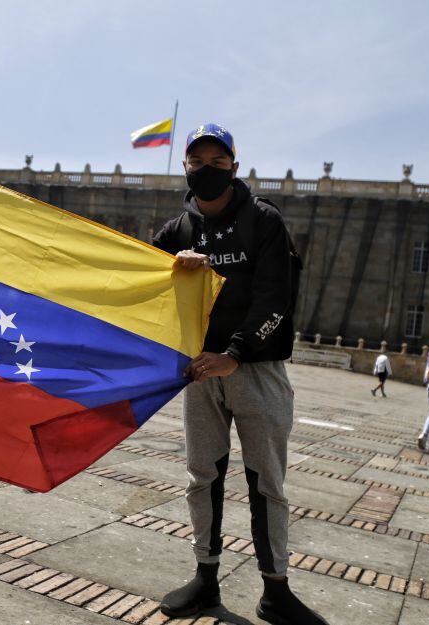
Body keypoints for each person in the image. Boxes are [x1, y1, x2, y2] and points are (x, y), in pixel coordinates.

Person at [151, 124, 327, 625]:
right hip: (202, 372)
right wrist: (169, 267)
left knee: (266, 481)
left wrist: (236, 351)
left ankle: (276, 590)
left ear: (234, 165)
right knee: (201, 477)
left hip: (256, 368)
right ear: (185, 167)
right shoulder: (176, 232)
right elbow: (139, 278)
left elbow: (277, 297)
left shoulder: (263, 221)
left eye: (217, 161)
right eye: (197, 162)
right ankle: (205, 579)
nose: (208, 170)